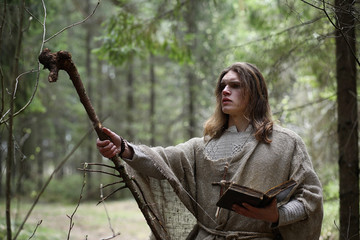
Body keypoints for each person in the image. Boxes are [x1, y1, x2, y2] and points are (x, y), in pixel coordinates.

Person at [97, 62, 323, 240]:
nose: (225, 90)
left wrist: (278, 215)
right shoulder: (201, 146)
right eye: (223, 86)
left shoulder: (286, 143)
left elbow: (310, 197)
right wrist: (124, 148)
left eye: (235, 85)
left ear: (255, 92)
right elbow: (161, 160)